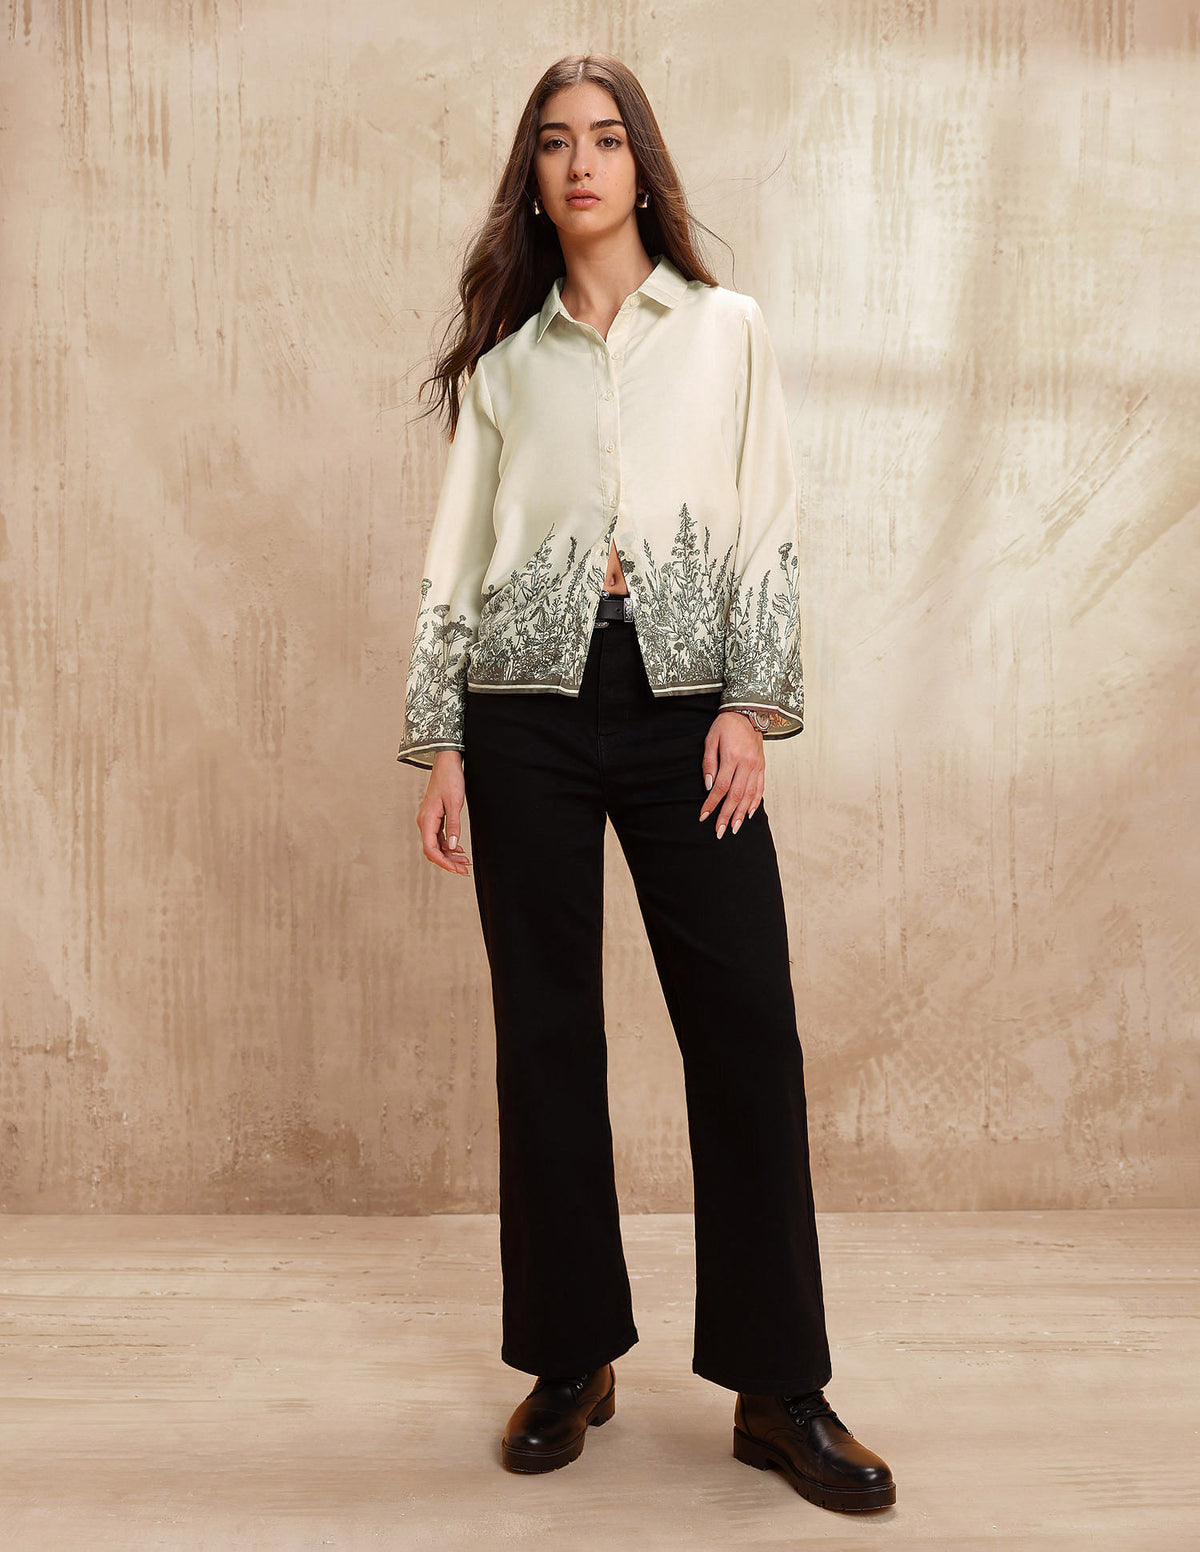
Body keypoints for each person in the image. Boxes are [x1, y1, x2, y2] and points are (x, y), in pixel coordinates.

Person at [397, 53, 895, 1515]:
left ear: (641, 163)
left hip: (687, 712)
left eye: (606, 138)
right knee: (545, 1035)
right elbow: (456, 556)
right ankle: (571, 1358)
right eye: (556, 143)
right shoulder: (506, 366)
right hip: (523, 714)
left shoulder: (726, 330)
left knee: (746, 1029)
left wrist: (750, 704)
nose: (582, 163)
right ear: (534, 178)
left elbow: (769, 515)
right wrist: (442, 743)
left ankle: (778, 1389)